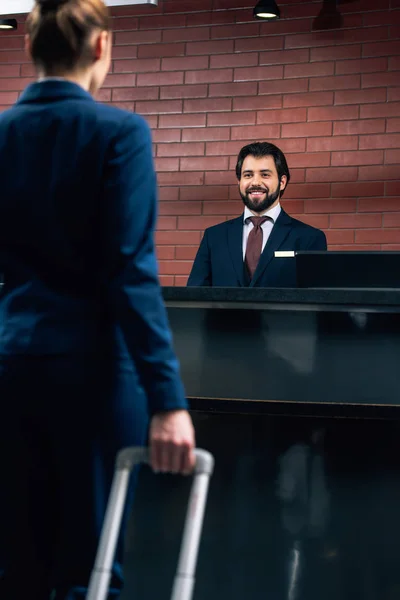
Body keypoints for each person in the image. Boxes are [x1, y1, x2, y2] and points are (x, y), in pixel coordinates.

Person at [0, 0, 195, 598]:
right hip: (91, 376)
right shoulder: (118, 133)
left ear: (30, 45)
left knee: (17, 568)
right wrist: (167, 399)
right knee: (91, 566)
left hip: (10, 370)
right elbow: (131, 273)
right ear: (101, 48)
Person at [187, 142, 327, 288]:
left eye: (265, 175)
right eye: (248, 175)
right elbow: (194, 296)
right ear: (239, 181)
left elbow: (315, 303)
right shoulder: (214, 237)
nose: (255, 182)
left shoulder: (310, 238)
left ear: (282, 182)